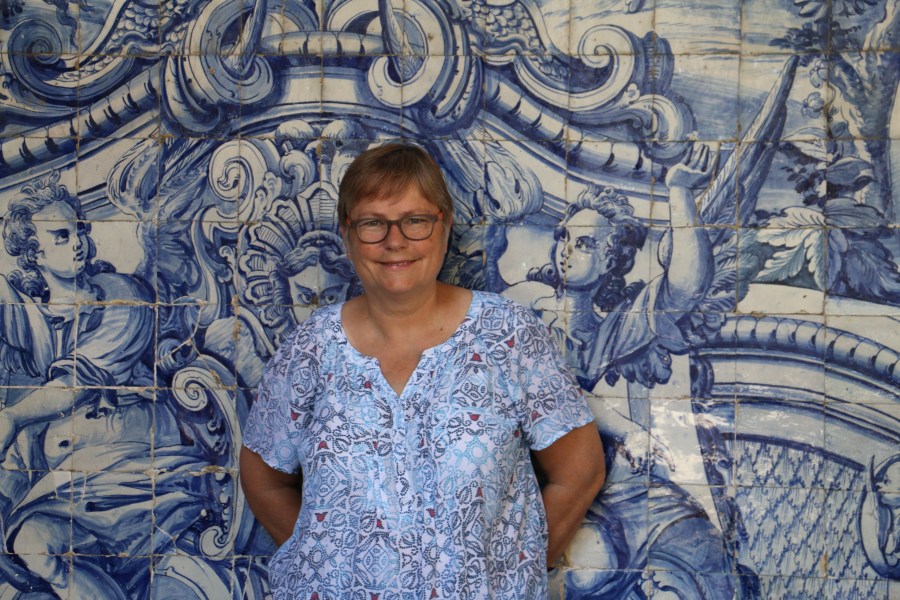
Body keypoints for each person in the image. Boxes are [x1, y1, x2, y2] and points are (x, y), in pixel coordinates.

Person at [240, 143, 606, 599]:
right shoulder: (310, 348)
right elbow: (264, 478)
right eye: (373, 223)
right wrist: (322, 563)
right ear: (347, 234)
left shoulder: (509, 336)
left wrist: (507, 573)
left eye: (415, 220)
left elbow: (580, 472)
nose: (395, 241)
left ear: (444, 225)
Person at [0, 173, 207, 599]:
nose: (78, 242)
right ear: (34, 253)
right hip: (71, 482)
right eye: (61, 236)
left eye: (79, 230)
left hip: (136, 464)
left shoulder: (123, 296)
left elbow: (80, 380)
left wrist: (14, 416)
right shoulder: (33, 325)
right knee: (34, 544)